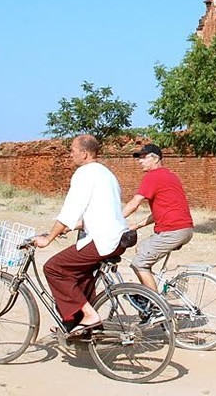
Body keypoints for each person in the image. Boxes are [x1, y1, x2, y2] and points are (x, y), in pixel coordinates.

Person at [33, 134, 134, 338]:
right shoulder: (106, 174)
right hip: (118, 236)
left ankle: (89, 316)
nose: (70, 155)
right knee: (81, 274)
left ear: (84, 153)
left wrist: (48, 238)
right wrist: (69, 228)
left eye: (73, 150)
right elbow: (101, 210)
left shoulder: (85, 173)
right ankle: (77, 325)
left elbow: (70, 210)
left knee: (54, 268)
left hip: (103, 240)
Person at [123, 143, 194, 293]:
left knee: (139, 263)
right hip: (184, 229)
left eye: (143, 157)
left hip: (172, 231)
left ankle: (156, 304)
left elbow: (134, 203)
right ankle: (148, 293)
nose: (140, 161)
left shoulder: (153, 176)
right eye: (139, 158)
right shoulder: (170, 175)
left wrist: (114, 219)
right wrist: (136, 225)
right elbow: (160, 212)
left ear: (155, 159)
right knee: (142, 248)